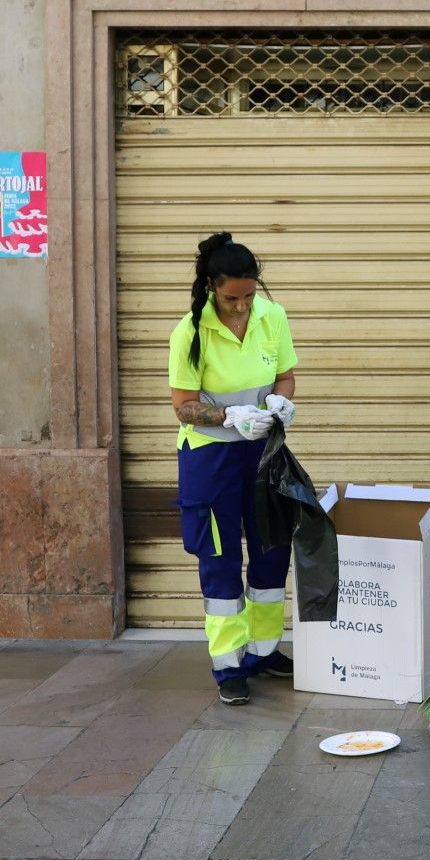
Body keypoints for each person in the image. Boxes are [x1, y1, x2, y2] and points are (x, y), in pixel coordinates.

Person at [168, 232, 300, 706]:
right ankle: (229, 665)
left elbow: (285, 372)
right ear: (210, 288)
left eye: (248, 296)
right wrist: (227, 416)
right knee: (220, 561)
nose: (242, 307)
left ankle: (263, 653)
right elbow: (182, 405)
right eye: (231, 298)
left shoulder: (273, 316)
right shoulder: (189, 332)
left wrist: (281, 401)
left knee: (270, 550)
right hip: (211, 458)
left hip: (263, 452)